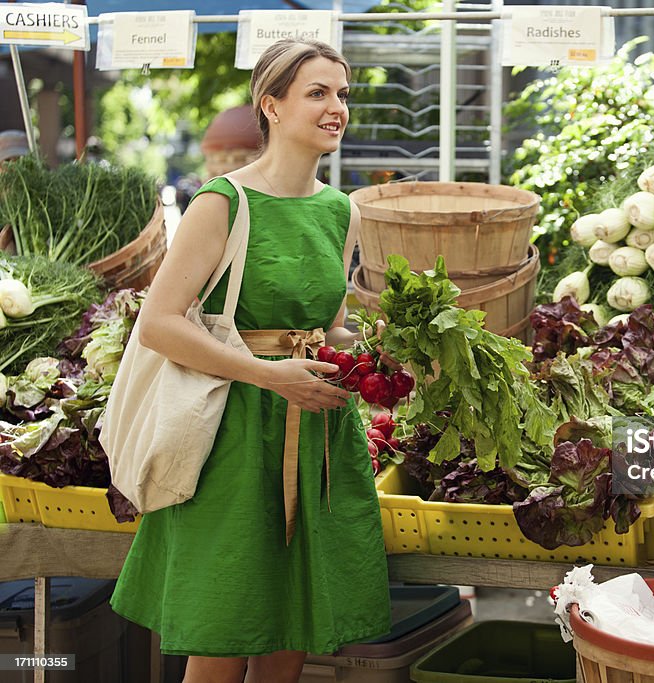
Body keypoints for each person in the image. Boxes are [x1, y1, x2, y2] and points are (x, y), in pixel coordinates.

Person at [109, 39, 391, 683]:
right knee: (224, 628)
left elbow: (329, 327)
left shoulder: (341, 210)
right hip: (232, 435)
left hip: (316, 436)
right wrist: (267, 374)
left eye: (342, 94)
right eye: (317, 93)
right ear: (272, 104)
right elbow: (157, 324)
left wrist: (375, 352)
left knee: (292, 631)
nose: (336, 108)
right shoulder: (223, 203)